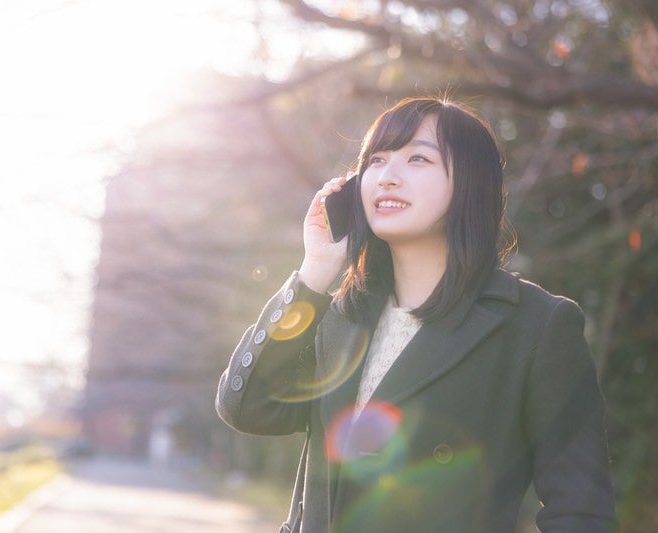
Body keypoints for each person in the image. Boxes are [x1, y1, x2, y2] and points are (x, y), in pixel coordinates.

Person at [215, 97, 617, 532]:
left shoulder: (535, 326)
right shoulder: (344, 317)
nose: (388, 177)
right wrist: (314, 274)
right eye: (377, 160)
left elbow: (581, 513)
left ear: (469, 182)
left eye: (418, 158)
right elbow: (248, 408)